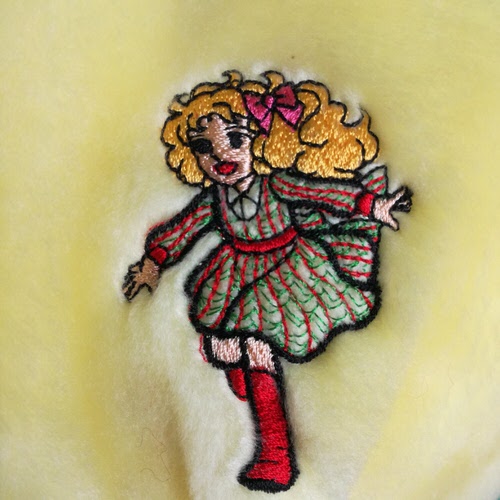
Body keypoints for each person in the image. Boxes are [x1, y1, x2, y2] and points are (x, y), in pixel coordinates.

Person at [122, 70, 411, 492]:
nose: (220, 155)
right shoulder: (215, 201)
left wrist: (371, 206)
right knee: (224, 345)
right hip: (236, 270)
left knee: (257, 347)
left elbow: (324, 194)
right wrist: (153, 262)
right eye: (204, 147)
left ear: (261, 141)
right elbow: (182, 230)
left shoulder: (277, 184)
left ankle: (275, 456)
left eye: (234, 139)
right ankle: (245, 366)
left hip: (289, 268)